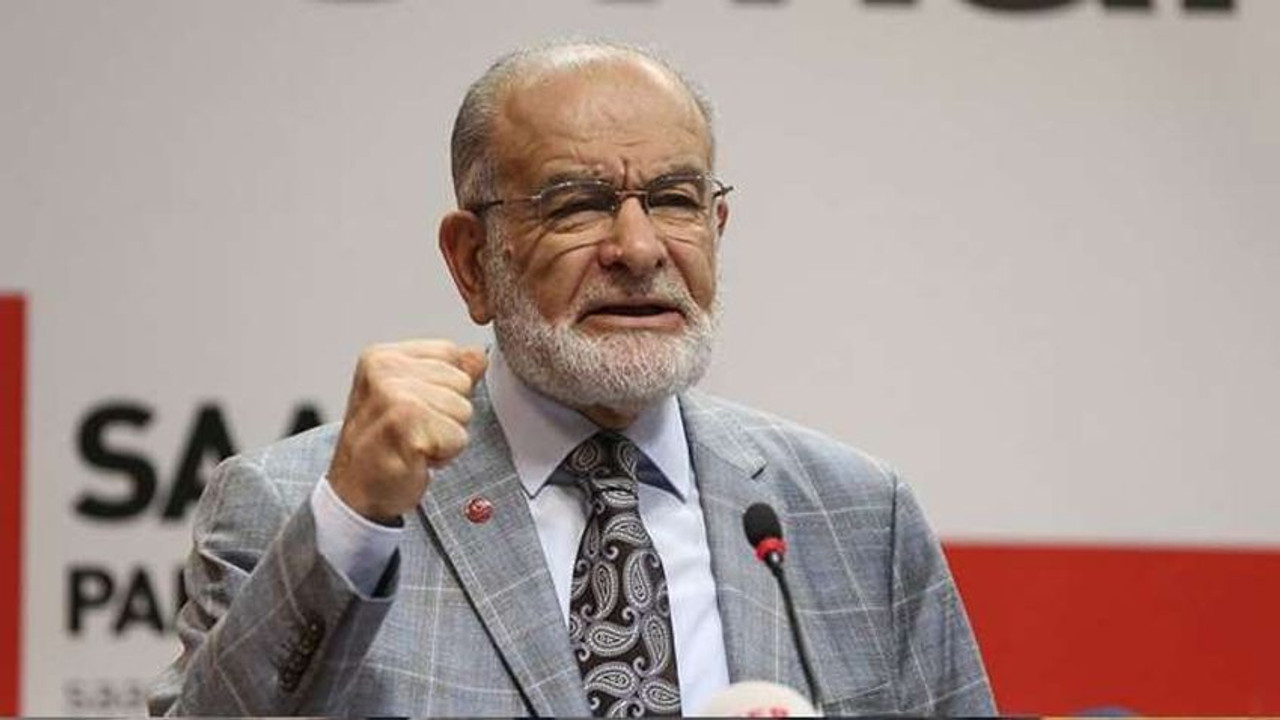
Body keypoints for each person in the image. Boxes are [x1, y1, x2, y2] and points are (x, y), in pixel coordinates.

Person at [148, 40, 995, 717]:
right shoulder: (303, 505)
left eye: (674, 199)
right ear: (473, 260)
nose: (639, 248)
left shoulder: (856, 513)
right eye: (577, 205)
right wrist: (354, 520)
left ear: (717, 228)